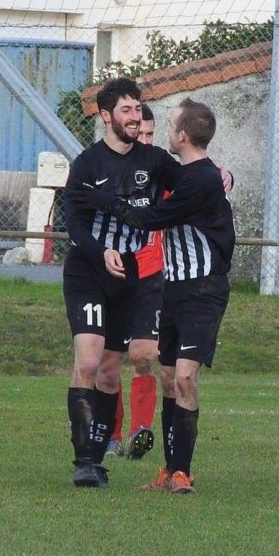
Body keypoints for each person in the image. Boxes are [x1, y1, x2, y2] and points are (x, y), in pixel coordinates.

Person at [74, 98, 234, 495]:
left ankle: (183, 472)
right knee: (167, 377)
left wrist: (104, 200)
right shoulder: (184, 173)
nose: (158, 134)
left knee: (183, 378)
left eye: (168, 127)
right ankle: (168, 470)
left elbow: (149, 217)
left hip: (203, 290)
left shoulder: (201, 180)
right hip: (174, 288)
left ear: (181, 135)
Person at [62, 78, 181, 488]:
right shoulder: (87, 164)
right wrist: (100, 251)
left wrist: (221, 175)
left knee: (111, 372)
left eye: (139, 109)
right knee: (90, 361)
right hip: (88, 271)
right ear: (106, 115)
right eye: (127, 111)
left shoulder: (154, 160)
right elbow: (73, 222)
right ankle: (81, 461)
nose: (135, 117)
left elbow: (190, 181)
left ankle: (97, 458)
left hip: (129, 275)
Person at [106, 103, 164, 461]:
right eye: (139, 133)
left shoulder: (162, 172)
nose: (145, 140)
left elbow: (199, 181)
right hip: (111, 275)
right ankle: (110, 435)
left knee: (144, 355)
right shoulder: (104, 168)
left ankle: (140, 432)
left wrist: (225, 175)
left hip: (150, 275)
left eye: (150, 135)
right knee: (106, 363)